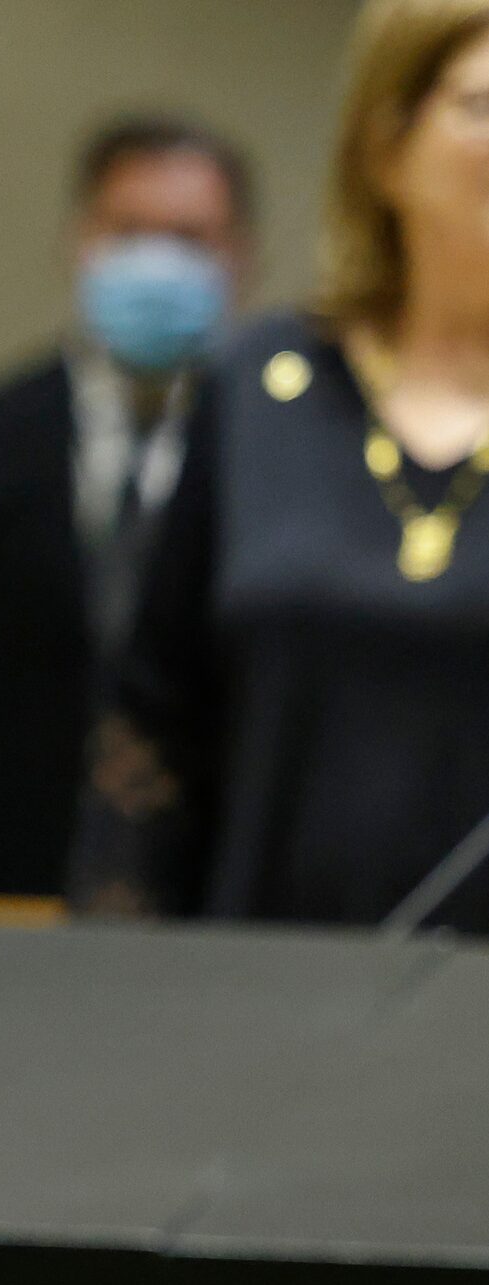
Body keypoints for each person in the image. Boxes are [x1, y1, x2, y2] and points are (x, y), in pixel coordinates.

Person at [75, 0, 489, 933]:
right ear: (386, 146)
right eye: (481, 105)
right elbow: (151, 724)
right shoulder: (261, 386)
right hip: (265, 1006)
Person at [0, 115, 255, 897]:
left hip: (207, 901)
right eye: (129, 232)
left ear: (242, 259)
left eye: (190, 239)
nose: (157, 264)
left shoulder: (272, 456)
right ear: (79, 240)